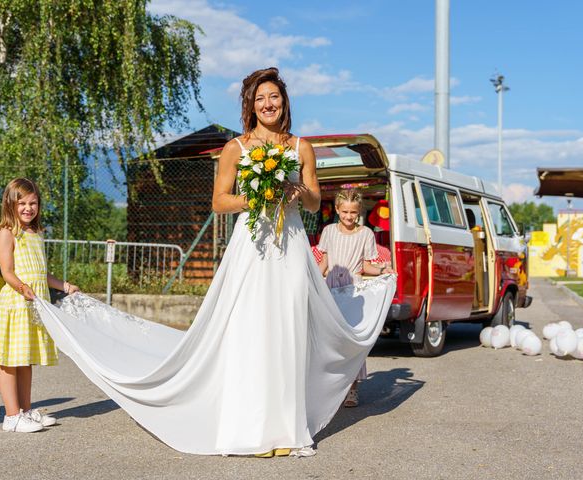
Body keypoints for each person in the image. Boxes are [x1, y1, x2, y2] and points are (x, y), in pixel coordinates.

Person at [34, 67, 396, 456]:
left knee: (289, 326)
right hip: (253, 245)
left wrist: (294, 189)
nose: (268, 104)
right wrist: (256, 198)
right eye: (260, 99)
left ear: (284, 102)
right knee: (251, 329)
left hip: (290, 246)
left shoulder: (300, 147)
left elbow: (313, 201)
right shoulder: (236, 148)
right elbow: (219, 201)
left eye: (273, 97)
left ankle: (286, 429)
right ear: (251, 106)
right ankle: (250, 428)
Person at [0, 178, 79, 433]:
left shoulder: (37, 234)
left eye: (33, 203)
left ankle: (26, 411)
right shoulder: (7, 232)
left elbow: (41, 273)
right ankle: (11, 416)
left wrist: (64, 286)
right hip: (15, 303)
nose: (27, 208)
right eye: (21, 202)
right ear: (10, 203)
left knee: (25, 359)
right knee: (9, 360)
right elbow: (7, 271)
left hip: (33, 305)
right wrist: (23, 289)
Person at [317, 189, 394, 407]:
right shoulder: (329, 231)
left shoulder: (366, 234)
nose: (349, 217)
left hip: (353, 291)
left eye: (353, 212)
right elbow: (324, 262)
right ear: (337, 210)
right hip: (331, 289)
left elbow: (366, 265)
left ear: (359, 211)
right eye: (345, 212)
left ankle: (352, 389)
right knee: (330, 339)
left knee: (351, 340)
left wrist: (382, 271)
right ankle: (331, 387)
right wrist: (311, 276)